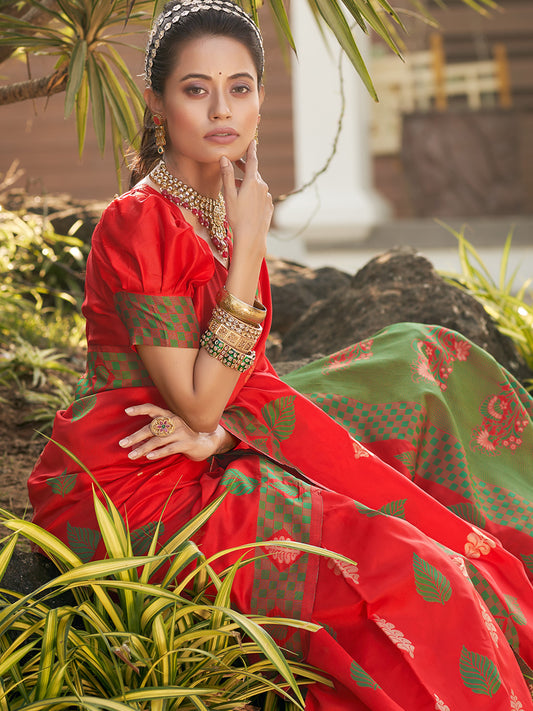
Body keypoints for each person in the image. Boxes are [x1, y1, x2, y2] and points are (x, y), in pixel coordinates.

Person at [28, 1, 533, 708]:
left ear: (261, 98)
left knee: (435, 508)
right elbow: (195, 397)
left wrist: (228, 432)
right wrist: (249, 248)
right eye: (195, 89)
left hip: (212, 437)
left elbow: (231, 391)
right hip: (142, 478)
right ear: (157, 102)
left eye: (239, 87)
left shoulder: (227, 203)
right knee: (418, 576)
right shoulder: (138, 221)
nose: (221, 109)